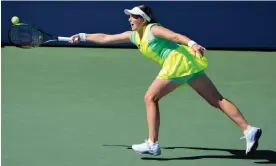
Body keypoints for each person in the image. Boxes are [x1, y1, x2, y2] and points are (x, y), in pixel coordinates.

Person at [69, 5, 262, 156]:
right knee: (217, 100)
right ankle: (248, 129)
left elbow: (176, 36)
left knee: (150, 98)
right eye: (129, 16)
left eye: (133, 16)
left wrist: (193, 44)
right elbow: (106, 38)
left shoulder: (154, 29)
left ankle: (152, 143)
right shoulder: (134, 36)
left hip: (177, 62)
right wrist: (83, 36)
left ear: (143, 19)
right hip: (188, 64)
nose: (130, 19)